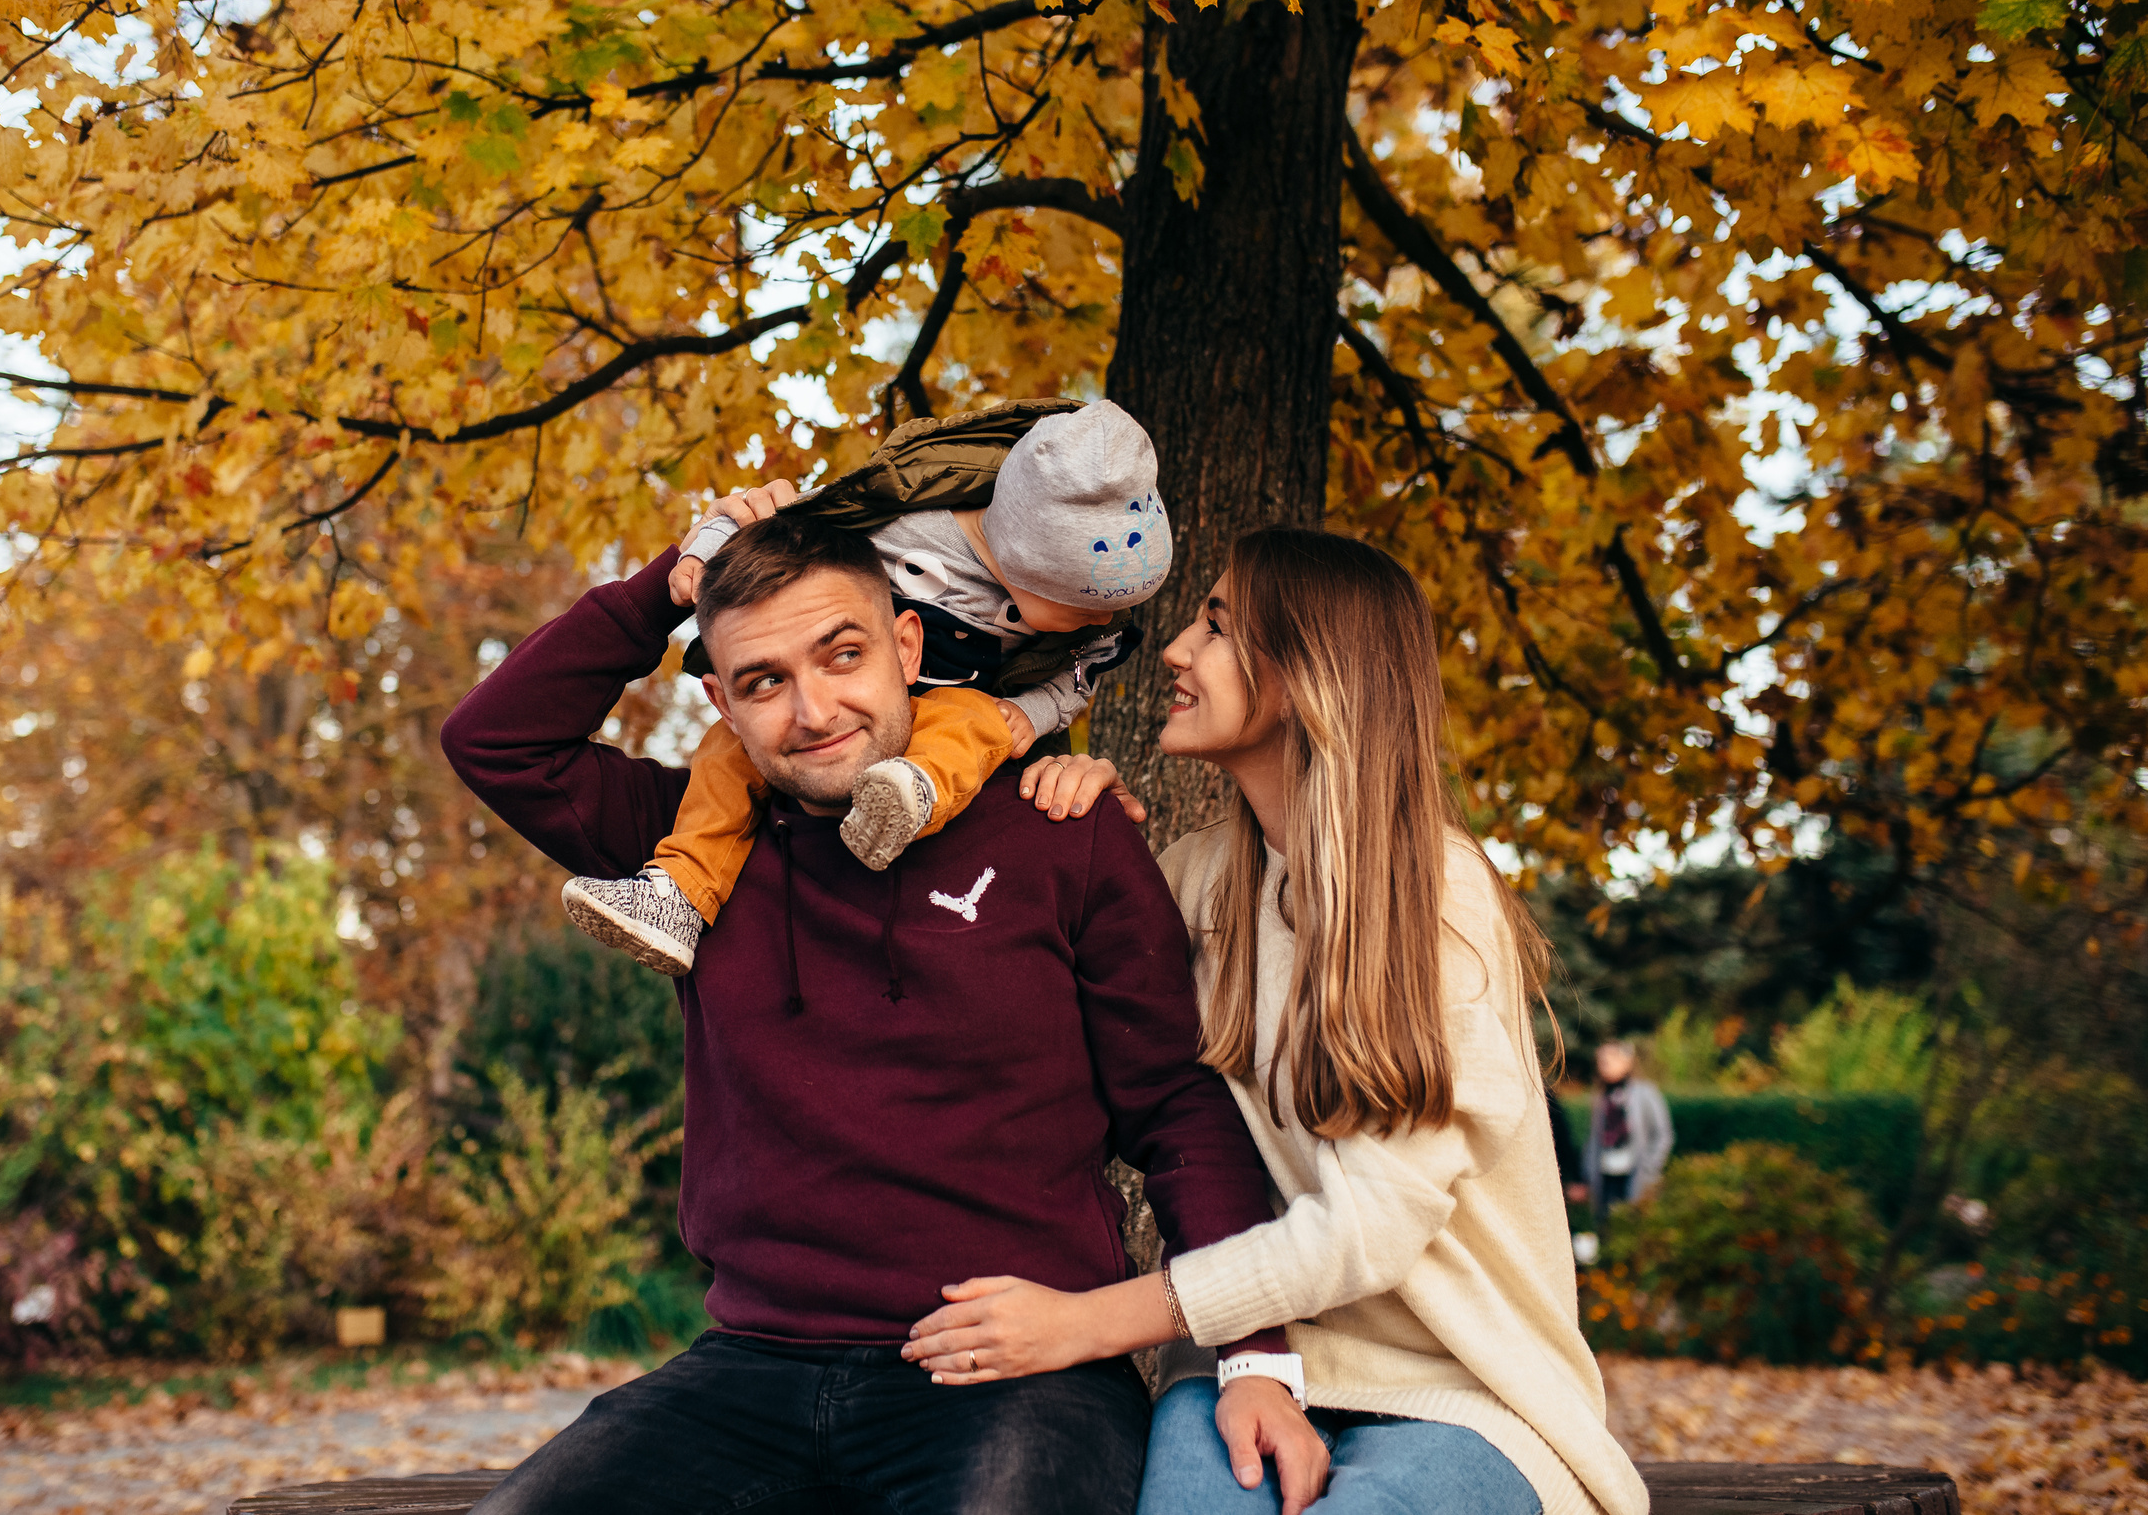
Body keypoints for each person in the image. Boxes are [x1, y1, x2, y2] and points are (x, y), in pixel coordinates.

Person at [438, 502, 1287, 1515]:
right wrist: (673, 579)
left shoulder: (1061, 829)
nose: (812, 708)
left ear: (906, 641)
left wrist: (1255, 1359)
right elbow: (494, 740)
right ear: (722, 703)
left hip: (1010, 1364)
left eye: (841, 654)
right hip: (748, 1368)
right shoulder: (689, 855)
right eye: (764, 681)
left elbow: (1177, 1109)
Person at [892, 529, 1650, 1515]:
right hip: (1253, 1365)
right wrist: (1070, 838)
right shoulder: (1199, 879)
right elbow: (1046, 1020)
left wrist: (1085, 1323)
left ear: (1302, 675)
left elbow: (1368, 1228)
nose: (1173, 648)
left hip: (1467, 1397)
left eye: (1215, 625)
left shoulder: (1431, 894)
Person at [560, 398, 1172, 974]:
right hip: (879, 693)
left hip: (960, 704)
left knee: (977, 720)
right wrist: (696, 561)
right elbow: (780, 516)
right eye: (1081, 608)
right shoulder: (907, 523)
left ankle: (911, 794)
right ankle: (680, 892)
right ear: (1022, 566)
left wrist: (1032, 714)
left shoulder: (1097, 613)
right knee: (724, 756)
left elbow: (1074, 679)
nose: (1104, 621)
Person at [1583, 1040, 1673, 1223]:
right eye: (1601, 1061)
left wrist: (1650, 1166)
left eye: (1610, 1059)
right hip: (1605, 1176)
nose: (1604, 1065)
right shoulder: (1600, 1097)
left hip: (1637, 1175)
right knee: (1606, 1224)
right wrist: (1588, 1171)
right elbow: (1594, 1138)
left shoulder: (1645, 1093)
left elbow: (1663, 1134)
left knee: (1634, 1225)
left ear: (1627, 1062)